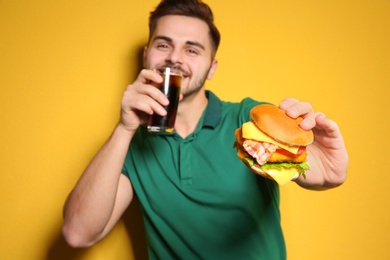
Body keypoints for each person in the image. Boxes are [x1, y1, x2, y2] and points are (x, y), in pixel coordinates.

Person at [62, 0, 348, 259]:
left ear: (212, 67)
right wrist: (124, 128)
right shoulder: (131, 144)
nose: (175, 58)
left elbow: (304, 167)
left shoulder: (248, 118)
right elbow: (79, 233)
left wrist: (319, 169)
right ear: (147, 55)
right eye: (163, 45)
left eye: (191, 49)